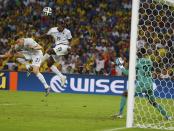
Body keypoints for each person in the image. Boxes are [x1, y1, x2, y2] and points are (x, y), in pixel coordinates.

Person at [112, 48, 171, 120]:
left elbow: (127, 73)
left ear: (137, 54)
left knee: (125, 93)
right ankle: (167, 116)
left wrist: (120, 65)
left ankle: (120, 113)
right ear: (145, 54)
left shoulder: (137, 62)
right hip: (150, 83)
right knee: (153, 102)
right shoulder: (149, 61)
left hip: (142, 84)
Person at [40, 19, 72, 87]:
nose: (63, 27)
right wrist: (39, 37)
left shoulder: (67, 31)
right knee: (49, 64)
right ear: (58, 25)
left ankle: (38, 63)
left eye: (64, 25)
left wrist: (69, 49)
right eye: (61, 25)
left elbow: (70, 40)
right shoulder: (53, 30)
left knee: (49, 51)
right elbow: (46, 35)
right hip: (57, 47)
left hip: (65, 46)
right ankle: (62, 77)